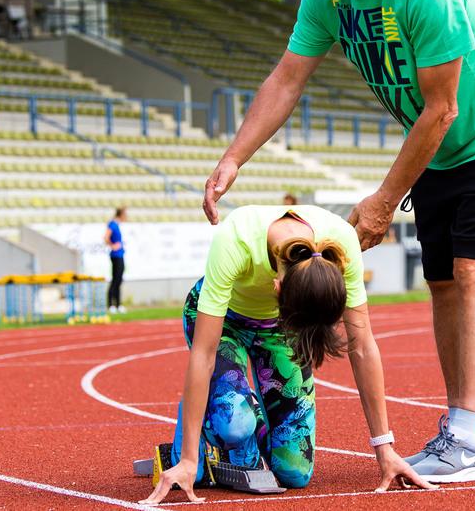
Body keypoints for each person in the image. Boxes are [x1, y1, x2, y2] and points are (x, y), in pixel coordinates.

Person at [201, 0, 475, 483]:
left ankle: (466, 436)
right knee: (440, 284)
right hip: (432, 144)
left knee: (471, 272)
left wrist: (384, 201)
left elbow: (443, 109)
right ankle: (461, 433)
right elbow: (287, 78)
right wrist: (234, 158)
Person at [140, 204, 432, 505]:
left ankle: (236, 418)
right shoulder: (236, 238)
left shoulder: (341, 244)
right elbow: (204, 353)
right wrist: (188, 460)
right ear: (276, 289)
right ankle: (208, 418)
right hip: (225, 322)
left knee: (295, 472)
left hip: (278, 328)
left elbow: (362, 345)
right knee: (234, 424)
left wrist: (385, 449)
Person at [104, 207, 127, 314]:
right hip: (116, 255)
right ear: (120, 214)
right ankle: (111, 305)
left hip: (120, 254)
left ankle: (118, 304)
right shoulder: (112, 224)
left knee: (119, 280)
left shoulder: (117, 225)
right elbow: (106, 237)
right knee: (115, 280)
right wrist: (112, 246)